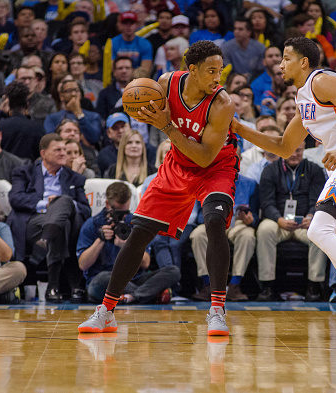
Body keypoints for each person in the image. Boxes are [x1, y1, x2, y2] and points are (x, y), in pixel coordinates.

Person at [231, 37, 336, 333]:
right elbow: (285, 147)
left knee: (318, 230)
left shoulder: (320, 80)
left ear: (304, 62)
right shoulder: (303, 98)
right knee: (323, 233)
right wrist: (238, 128)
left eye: (286, 58)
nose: (280, 64)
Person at [78, 41, 239, 336]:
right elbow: (147, 112)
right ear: (191, 70)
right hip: (176, 166)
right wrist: (144, 113)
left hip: (215, 167)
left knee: (214, 222)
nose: (218, 78)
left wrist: (167, 128)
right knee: (139, 232)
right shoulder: (165, 83)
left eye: (220, 70)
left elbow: (204, 155)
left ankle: (217, 309)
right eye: (211, 71)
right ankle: (106, 311)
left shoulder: (223, 102)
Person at [8, 134, 91, 302]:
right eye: (58, 150)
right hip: (35, 220)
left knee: (64, 204)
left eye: (65, 150)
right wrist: (46, 204)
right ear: (43, 153)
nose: (63, 153)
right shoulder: (25, 172)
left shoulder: (75, 178)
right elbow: (16, 198)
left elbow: (85, 209)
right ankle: (62, 286)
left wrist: (64, 204)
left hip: (62, 225)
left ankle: (46, 242)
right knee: (62, 217)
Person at [77, 182, 180, 305]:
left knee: (173, 271)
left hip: (134, 278)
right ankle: (147, 295)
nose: (122, 216)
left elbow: (146, 263)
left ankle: (131, 297)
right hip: (103, 279)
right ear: (107, 204)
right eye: (118, 212)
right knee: (103, 279)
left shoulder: (135, 222)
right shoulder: (92, 224)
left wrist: (128, 246)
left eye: (125, 212)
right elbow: (83, 264)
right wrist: (100, 240)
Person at [253, 140, 326, 302]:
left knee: (320, 233)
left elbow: (318, 200)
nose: (294, 155)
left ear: (304, 150)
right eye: (291, 151)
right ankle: (267, 285)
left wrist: (311, 216)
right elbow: (267, 203)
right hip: (278, 222)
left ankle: (314, 284)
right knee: (264, 230)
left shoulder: (315, 170)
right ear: (282, 150)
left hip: (305, 223)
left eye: (298, 151)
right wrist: (278, 220)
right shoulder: (270, 171)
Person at [191, 167, 259, 302]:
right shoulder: (206, 181)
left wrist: (251, 219)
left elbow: (256, 215)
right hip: (213, 222)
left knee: (248, 236)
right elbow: (199, 215)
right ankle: (207, 285)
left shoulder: (251, 184)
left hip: (239, 224)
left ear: (239, 161)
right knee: (197, 234)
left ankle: (235, 285)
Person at [44, 79, 101, 146]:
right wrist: (82, 137)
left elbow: (94, 138)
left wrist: (79, 114)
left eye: (76, 90)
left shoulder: (93, 116)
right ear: (61, 96)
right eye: (69, 91)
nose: (73, 94)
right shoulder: (52, 118)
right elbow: (51, 141)